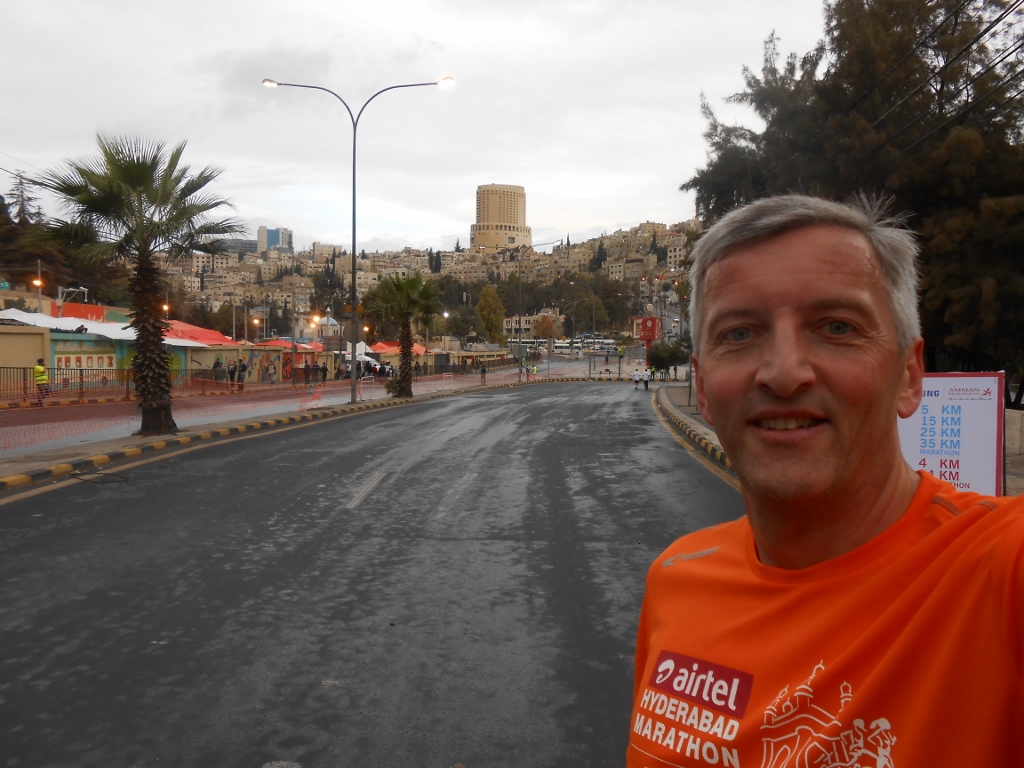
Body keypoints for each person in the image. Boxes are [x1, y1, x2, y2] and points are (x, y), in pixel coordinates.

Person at [628, 194, 1024, 767]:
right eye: (739, 334)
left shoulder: (996, 569)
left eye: (837, 327)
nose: (784, 373)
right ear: (704, 389)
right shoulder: (675, 579)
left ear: (909, 375)